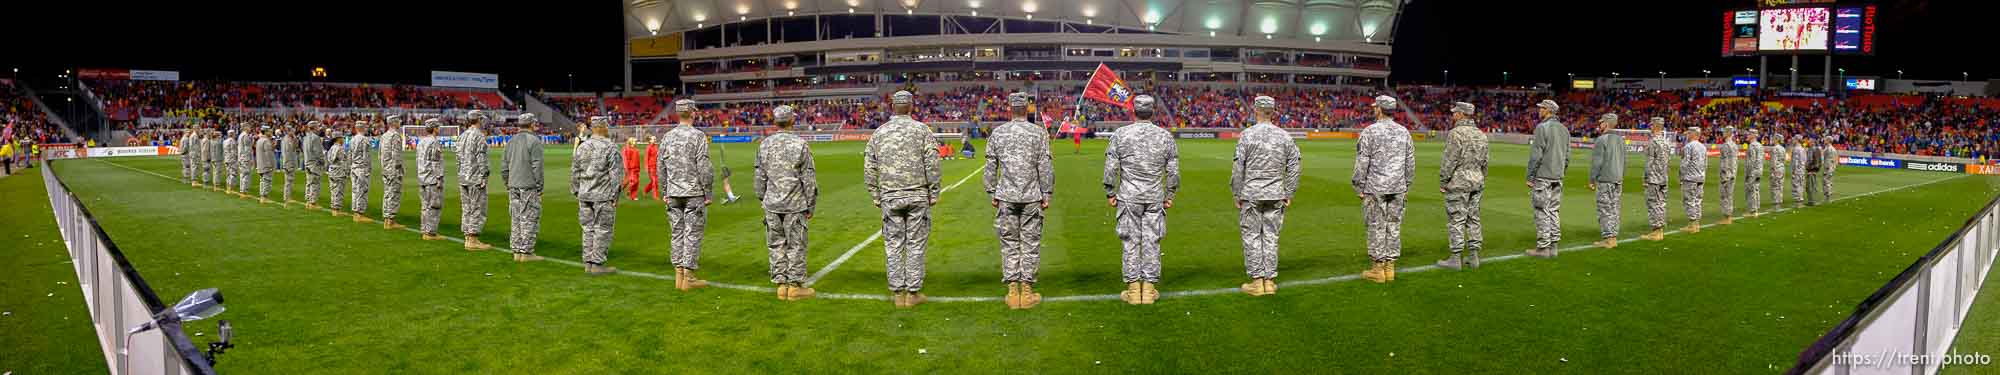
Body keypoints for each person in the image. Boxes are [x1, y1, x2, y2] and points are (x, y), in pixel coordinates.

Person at [866, 91, 943, 308]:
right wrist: (934, 191)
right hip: (917, 195)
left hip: (890, 196)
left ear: (892, 106)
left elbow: (869, 166)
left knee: (893, 244)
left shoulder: (880, 133)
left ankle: (898, 293)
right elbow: (933, 163)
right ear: (911, 106)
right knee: (916, 244)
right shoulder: (922, 130)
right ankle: (913, 293)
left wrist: (875, 193)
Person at [1102, 94, 1177, 304]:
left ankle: (1134, 290)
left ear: (1133, 111)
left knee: (1131, 242)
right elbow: (1173, 172)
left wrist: (1110, 191)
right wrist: (1170, 195)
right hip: (1154, 197)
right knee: (1152, 241)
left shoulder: (1120, 135)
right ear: (1153, 112)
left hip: (1129, 197)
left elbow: (1110, 167)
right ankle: (1149, 289)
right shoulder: (1164, 136)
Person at [985, 93, 1056, 307]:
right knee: (1030, 243)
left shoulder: (998, 133)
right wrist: (1047, 193)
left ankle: (1013, 291)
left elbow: (990, 166)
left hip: (1006, 195)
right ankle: (1026, 292)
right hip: (1031, 196)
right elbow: (1045, 166)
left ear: (1009, 109)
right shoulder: (1038, 133)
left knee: (1009, 243)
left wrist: (991, 191)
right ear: (1028, 109)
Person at [1231, 95, 1300, 293]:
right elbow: (1295, 165)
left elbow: (1238, 167)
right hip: (1276, 193)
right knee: (1271, 236)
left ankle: (1257, 281)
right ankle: (1269, 281)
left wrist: (1237, 193)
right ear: (1273, 112)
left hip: (1252, 194)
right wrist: (1289, 191)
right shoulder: (1284, 136)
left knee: (1252, 236)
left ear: (1256, 111)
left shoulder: (1247, 135)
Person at [756, 105, 819, 301]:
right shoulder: (800, 144)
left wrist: (762, 197)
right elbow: (809, 179)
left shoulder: (764, 144)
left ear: (775, 122)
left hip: (772, 203)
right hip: (795, 203)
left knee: (776, 244)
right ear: (792, 120)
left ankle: (781, 285)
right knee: (796, 245)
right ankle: (795, 287)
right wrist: (811, 204)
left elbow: (759, 177)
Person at [1355, 95, 1415, 281]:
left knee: (1376, 226)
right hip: (1398, 186)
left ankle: (1378, 269)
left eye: (1375, 107)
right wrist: (1406, 185)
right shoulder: (1404, 132)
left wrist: (1359, 185)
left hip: (1376, 187)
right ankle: (1390, 268)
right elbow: (1410, 162)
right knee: (1394, 226)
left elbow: (1362, 161)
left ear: (1379, 109)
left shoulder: (1370, 131)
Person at [660, 99, 716, 290]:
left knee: (677, 233)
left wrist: (664, 191)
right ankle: (688, 278)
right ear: (693, 113)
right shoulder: (698, 136)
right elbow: (704, 167)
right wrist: (708, 192)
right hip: (693, 193)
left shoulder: (667, 137)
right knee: (692, 234)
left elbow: (661, 167)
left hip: (673, 192)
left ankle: (679, 277)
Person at [1437, 102, 1488, 269]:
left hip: (1459, 182)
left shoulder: (1455, 134)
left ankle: (1455, 258)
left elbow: (1450, 160)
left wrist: (1444, 181)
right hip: (1477, 181)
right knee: (1473, 218)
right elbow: (1485, 162)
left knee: (1456, 219)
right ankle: (1474, 257)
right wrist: (1481, 177)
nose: (1453, 115)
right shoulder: (1481, 134)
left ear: (1460, 114)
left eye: (1455, 113)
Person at [573, 117, 622, 275]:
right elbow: (616, 175)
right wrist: (615, 196)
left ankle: (588, 263)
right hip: (603, 195)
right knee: (603, 230)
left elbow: (574, 172)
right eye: (607, 126)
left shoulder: (582, 146)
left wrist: (576, 191)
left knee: (587, 229)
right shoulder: (610, 147)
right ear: (602, 127)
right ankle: (597, 264)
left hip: (584, 194)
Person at [1525, 100, 1569, 258]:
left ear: (1548, 110)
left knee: (1541, 211)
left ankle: (1543, 248)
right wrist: (1560, 172)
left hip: (1543, 176)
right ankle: (1554, 246)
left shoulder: (1542, 128)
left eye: (1541, 108)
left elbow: (1536, 155)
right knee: (1553, 210)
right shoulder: (1564, 129)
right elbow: (1567, 157)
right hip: (1558, 176)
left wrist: (1530, 176)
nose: (1539, 111)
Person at [503, 114, 546, 262]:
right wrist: (539, 188)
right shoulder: (534, 141)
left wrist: (507, 183)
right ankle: (526, 253)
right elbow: (537, 167)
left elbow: (504, 167)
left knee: (515, 218)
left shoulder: (510, 141)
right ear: (532, 124)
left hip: (513, 185)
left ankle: (516, 251)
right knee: (529, 218)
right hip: (528, 186)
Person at [459, 111, 495, 250]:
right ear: (479, 120)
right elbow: (482, 159)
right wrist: (484, 175)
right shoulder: (479, 136)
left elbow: (458, 158)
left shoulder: (462, 136)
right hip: (475, 177)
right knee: (477, 208)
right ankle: (473, 240)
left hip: (463, 177)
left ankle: (468, 238)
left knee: (467, 208)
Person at [1587, 113, 1623, 248]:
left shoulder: (1601, 140)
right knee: (1614, 208)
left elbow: (1597, 162)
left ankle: (1609, 239)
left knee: (1604, 209)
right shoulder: (1621, 140)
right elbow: (1624, 161)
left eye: (1601, 122)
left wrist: (1592, 179)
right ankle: (1613, 236)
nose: (1599, 125)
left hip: (1605, 179)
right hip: (1618, 179)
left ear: (1606, 124)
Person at [1640, 118, 1673, 241]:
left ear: (1654, 126)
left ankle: (1656, 231)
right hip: (1663, 177)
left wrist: (1645, 178)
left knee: (1653, 204)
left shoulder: (1652, 142)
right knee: (1661, 203)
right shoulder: (1666, 142)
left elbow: (1649, 162)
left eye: (1651, 125)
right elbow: (1668, 161)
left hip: (1653, 178)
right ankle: (1660, 230)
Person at [416, 119, 448, 241]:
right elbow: (436, 162)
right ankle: (430, 233)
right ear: (434, 128)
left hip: (422, 178)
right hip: (432, 179)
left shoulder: (421, 142)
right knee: (434, 205)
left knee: (424, 205)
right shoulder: (434, 142)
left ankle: (424, 229)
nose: (439, 129)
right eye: (438, 127)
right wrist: (439, 178)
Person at [379, 115, 408, 229]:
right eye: (398, 122)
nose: (400, 123)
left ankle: (387, 218)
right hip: (393, 169)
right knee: (394, 193)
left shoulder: (384, 135)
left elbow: (380, 154)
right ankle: (390, 220)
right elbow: (397, 155)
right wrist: (400, 169)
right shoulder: (395, 136)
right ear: (394, 123)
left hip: (385, 168)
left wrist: (384, 167)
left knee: (387, 192)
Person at [1679, 127, 1707, 233]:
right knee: (1698, 200)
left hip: (1690, 178)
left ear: (1693, 134)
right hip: (1700, 177)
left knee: (1689, 200)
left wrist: (1681, 177)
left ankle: (1692, 224)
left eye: (1689, 133)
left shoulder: (1689, 146)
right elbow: (1705, 163)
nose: (1687, 135)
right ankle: (1697, 223)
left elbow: (1684, 163)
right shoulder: (1703, 147)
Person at [349, 121, 375, 223]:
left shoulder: (352, 139)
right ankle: (360, 213)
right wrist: (368, 168)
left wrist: (350, 165)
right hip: (361, 168)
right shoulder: (364, 140)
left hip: (354, 167)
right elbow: (366, 156)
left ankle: (355, 212)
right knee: (362, 190)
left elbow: (350, 154)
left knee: (355, 190)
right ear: (363, 128)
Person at [1716, 127, 1738, 224]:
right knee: (1729, 195)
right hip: (1733, 172)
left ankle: (1727, 217)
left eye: (1724, 132)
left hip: (1726, 174)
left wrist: (1724, 176)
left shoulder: (1725, 146)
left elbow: (1725, 163)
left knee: (1725, 195)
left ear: (1728, 133)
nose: (1723, 133)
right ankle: (1729, 216)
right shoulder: (1734, 145)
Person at [302, 123, 325, 210]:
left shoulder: (305, 137)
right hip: (314, 163)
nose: (319, 128)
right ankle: (313, 203)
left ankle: (308, 201)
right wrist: (323, 161)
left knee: (309, 182)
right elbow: (318, 152)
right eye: (318, 127)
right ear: (314, 127)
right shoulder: (315, 138)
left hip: (307, 162)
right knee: (315, 183)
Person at [326, 131, 349, 217]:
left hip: (332, 170)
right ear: (338, 138)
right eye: (342, 138)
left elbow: (329, 159)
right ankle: (336, 210)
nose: (343, 139)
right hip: (339, 171)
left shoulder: (332, 148)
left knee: (333, 190)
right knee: (338, 191)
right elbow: (343, 160)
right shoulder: (339, 148)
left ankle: (334, 208)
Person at [1744, 128, 1765, 218]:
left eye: (1749, 134)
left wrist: (1748, 173)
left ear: (1753, 135)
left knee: (1750, 190)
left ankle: (1753, 211)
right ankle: (1756, 208)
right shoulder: (1760, 145)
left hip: (1753, 171)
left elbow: (1751, 161)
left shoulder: (1752, 146)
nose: (1747, 136)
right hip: (1759, 170)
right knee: (1756, 189)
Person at [280, 123, 299, 207]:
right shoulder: (286, 140)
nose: (293, 132)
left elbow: (295, 148)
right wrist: (287, 165)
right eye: (292, 131)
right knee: (288, 181)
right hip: (288, 163)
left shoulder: (289, 139)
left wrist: (295, 139)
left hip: (290, 162)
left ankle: (288, 197)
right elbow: (288, 152)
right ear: (289, 131)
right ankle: (286, 198)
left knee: (290, 181)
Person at [255, 126, 275, 204]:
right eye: (269, 131)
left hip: (260, 163)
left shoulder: (259, 140)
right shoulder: (266, 141)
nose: (270, 132)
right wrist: (270, 165)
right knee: (267, 181)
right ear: (266, 132)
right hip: (266, 164)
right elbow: (268, 153)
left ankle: (262, 197)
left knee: (262, 181)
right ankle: (264, 197)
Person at [1770, 132, 1789, 209]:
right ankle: (1779, 200)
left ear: (1777, 139)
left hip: (1776, 168)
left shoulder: (1775, 148)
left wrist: (1773, 170)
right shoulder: (1783, 148)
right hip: (1782, 168)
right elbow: (1785, 160)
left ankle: (1776, 203)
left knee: (1775, 186)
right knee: (1780, 185)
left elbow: (1773, 161)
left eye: (1774, 138)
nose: (1773, 140)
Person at [1804, 135, 1824, 206]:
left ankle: (1812, 201)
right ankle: (1810, 200)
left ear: (1813, 142)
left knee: (1811, 186)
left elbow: (1818, 162)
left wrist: (1814, 170)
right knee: (1808, 187)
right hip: (1809, 170)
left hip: (1812, 171)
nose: (1808, 142)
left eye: (1809, 141)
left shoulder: (1816, 149)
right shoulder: (1810, 149)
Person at [1790, 134, 1808, 208]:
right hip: (1802, 169)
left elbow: (1795, 161)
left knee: (1796, 185)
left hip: (1797, 170)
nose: (1793, 140)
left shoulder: (1796, 149)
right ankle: (1800, 200)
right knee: (1800, 184)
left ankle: (1798, 202)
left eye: (1794, 139)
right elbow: (1805, 160)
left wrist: (1794, 170)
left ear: (1797, 140)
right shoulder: (1803, 148)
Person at [237, 125, 254, 198]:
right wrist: (250, 158)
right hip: (245, 157)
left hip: (241, 156)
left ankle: (242, 189)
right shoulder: (245, 135)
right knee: (246, 174)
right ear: (246, 128)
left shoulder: (241, 135)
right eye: (249, 127)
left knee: (242, 174)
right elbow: (247, 148)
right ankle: (244, 191)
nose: (250, 128)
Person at [1820, 132, 1837, 202]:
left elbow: (1823, 157)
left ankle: (1827, 197)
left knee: (1826, 181)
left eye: (1825, 140)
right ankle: (1828, 196)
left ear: (1828, 141)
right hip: (1831, 167)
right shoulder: (1833, 149)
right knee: (1829, 181)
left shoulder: (1828, 149)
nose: (1824, 141)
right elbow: (1835, 159)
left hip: (1828, 166)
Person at [644, 135, 661, 201]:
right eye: (653, 139)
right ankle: (655, 196)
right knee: (654, 181)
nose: (655, 140)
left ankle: (645, 190)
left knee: (654, 181)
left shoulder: (656, 147)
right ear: (650, 140)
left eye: (655, 139)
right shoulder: (648, 148)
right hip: (651, 167)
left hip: (656, 166)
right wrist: (646, 167)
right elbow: (646, 158)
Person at [222, 128, 238, 195]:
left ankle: (228, 186)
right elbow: (233, 152)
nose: (235, 135)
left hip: (226, 158)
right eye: (234, 133)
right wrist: (236, 158)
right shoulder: (232, 141)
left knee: (228, 173)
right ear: (232, 134)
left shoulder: (224, 141)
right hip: (231, 159)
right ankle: (230, 188)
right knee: (232, 173)